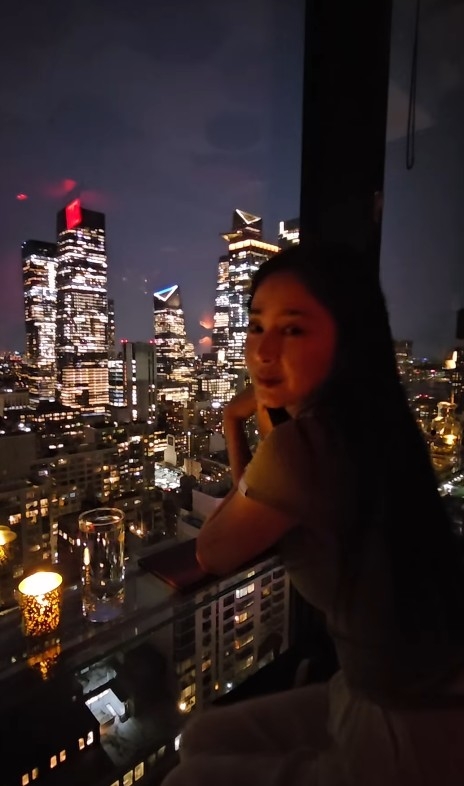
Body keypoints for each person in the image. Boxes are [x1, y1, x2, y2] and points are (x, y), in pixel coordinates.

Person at [163, 241, 464, 786]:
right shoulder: (374, 423)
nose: (262, 349)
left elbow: (213, 550)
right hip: (390, 687)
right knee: (202, 738)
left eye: (293, 329)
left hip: (410, 729)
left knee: (187, 775)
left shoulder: (306, 446)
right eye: (257, 325)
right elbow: (270, 494)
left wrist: (234, 423)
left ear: (348, 339)